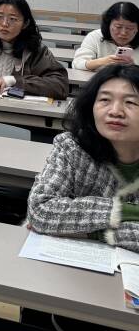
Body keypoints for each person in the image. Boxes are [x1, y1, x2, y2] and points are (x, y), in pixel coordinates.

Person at [26, 64, 139, 251]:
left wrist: (91, 232)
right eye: (105, 100)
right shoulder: (72, 147)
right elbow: (40, 210)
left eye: (131, 103)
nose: (115, 111)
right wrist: (125, 211)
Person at [72, 2, 139, 73]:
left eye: (130, 28)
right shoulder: (95, 36)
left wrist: (134, 68)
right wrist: (103, 61)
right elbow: (77, 63)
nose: (123, 33)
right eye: (118, 27)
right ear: (108, 24)